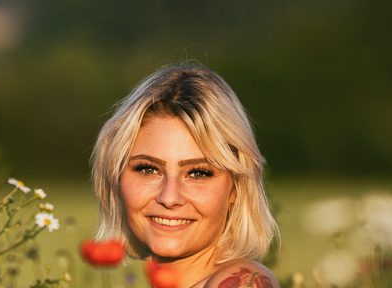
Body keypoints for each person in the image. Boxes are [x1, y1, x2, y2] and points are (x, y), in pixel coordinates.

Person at [91, 65, 280, 288]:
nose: (169, 198)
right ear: (116, 178)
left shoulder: (244, 282)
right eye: (148, 169)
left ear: (235, 188)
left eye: (198, 173)